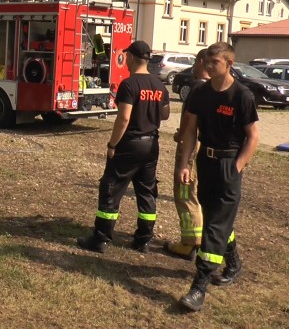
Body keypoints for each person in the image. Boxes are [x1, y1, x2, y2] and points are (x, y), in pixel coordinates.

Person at [175, 42, 259, 312]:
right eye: (206, 62)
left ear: (229, 63)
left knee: (213, 228)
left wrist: (236, 167)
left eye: (215, 63)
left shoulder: (241, 96)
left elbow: (253, 137)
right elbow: (190, 131)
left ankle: (199, 285)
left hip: (227, 164)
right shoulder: (200, 91)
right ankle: (233, 264)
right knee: (215, 220)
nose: (209, 67)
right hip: (205, 162)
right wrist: (185, 163)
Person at [77, 40, 170, 254]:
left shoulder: (129, 84)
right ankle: (143, 240)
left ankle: (100, 238)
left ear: (131, 57)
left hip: (130, 144)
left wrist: (112, 144)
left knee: (111, 187)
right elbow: (164, 115)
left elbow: (124, 118)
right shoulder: (159, 85)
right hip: (151, 145)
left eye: (126, 56)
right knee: (146, 192)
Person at [164, 48, 210, 259]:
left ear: (202, 62)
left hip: (191, 146)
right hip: (205, 147)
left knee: (185, 192)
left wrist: (180, 136)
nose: (192, 67)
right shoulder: (214, 90)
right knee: (196, 193)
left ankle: (190, 243)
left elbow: (189, 121)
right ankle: (198, 238)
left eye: (195, 62)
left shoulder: (197, 90)